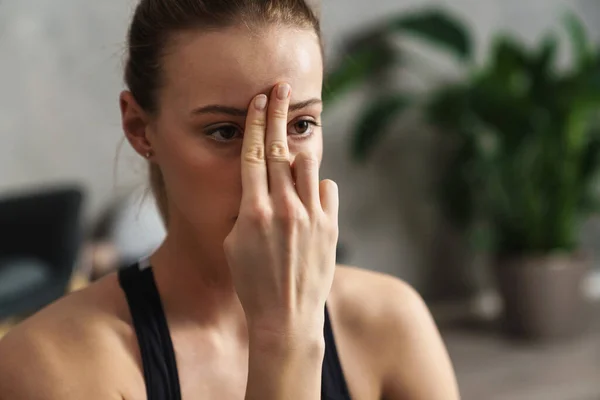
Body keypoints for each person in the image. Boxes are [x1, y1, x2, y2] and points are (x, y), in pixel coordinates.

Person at [0, 0, 460, 399]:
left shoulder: (390, 321)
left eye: (300, 125)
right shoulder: (50, 363)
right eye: (223, 131)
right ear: (141, 129)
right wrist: (284, 340)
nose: (265, 167)